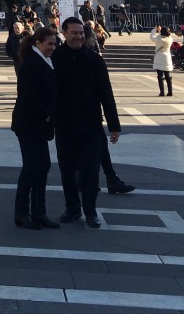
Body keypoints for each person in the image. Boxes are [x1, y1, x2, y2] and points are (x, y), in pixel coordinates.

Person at [53, 17, 121, 228]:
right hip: (64, 125)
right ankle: (72, 208)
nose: (79, 36)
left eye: (81, 33)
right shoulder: (54, 58)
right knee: (67, 170)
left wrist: (114, 124)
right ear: (64, 33)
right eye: (74, 33)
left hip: (90, 124)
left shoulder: (94, 60)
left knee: (90, 171)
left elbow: (106, 94)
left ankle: (90, 211)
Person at [11, 25, 59, 229]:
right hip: (30, 123)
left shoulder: (44, 60)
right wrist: (48, 113)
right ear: (38, 43)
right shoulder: (32, 63)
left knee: (43, 166)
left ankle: (39, 212)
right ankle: (21, 213)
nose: (53, 47)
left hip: (38, 123)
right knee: (32, 168)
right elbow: (28, 95)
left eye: (55, 44)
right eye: (49, 44)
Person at [150, 24, 176, 97]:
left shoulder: (159, 38)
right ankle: (170, 92)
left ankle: (162, 92)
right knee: (168, 75)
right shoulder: (170, 39)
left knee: (160, 76)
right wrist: (161, 30)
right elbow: (164, 36)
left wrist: (155, 29)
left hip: (159, 57)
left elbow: (152, 37)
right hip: (167, 57)